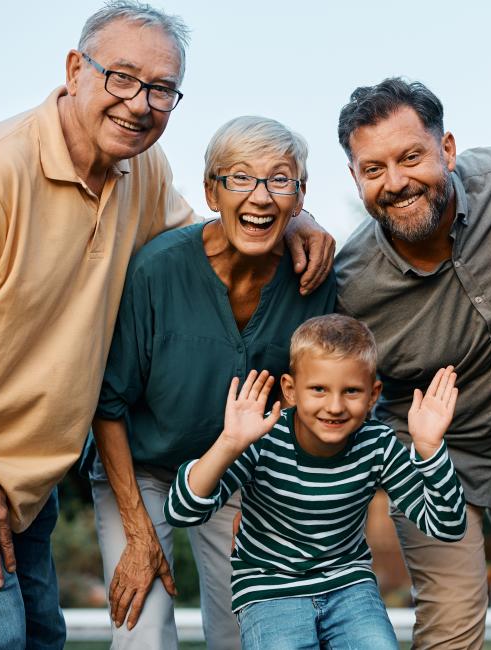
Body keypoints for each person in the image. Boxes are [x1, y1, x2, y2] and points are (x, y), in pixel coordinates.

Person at [0, 3, 332, 647]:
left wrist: (295, 215)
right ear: (75, 70)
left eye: (161, 88)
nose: (139, 104)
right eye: (122, 77)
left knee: (40, 637)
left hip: (30, 462)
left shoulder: (141, 168)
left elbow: (213, 234)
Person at [335, 78, 491, 648]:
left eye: (410, 157)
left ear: (446, 149)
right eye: (373, 169)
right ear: (354, 178)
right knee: (450, 631)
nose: (395, 182)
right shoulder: (349, 286)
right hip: (432, 465)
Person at [86, 115, 336, 649]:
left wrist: (280, 500)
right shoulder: (156, 270)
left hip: (239, 473)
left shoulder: (312, 281)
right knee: (143, 629)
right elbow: (107, 405)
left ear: (300, 196)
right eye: (240, 177)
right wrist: (138, 531)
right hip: (140, 469)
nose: (261, 197)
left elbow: (312, 403)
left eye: (280, 180)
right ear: (210, 191)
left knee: (247, 631)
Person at [164, 314, 467, 650]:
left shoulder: (377, 445)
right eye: (319, 389)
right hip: (270, 588)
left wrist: (429, 448)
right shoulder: (262, 439)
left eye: (351, 391)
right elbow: (181, 512)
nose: (334, 406)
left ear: (373, 395)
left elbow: (447, 526)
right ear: (290, 390)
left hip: (348, 584)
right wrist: (229, 442)